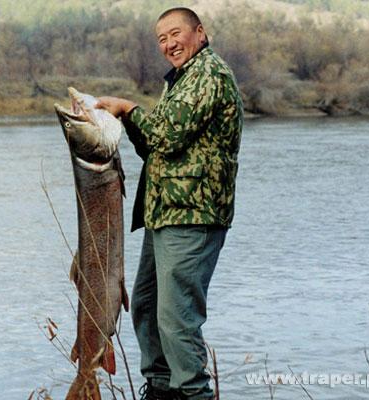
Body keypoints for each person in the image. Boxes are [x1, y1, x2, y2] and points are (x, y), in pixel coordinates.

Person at [96, 7, 243, 400]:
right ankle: (161, 390)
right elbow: (155, 148)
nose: (168, 44)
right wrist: (126, 121)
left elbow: (166, 135)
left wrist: (127, 107)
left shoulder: (209, 74)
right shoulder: (180, 81)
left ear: (200, 32)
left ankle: (193, 393)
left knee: (177, 319)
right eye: (161, 39)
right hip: (164, 215)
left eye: (175, 34)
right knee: (145, 307)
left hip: (194, 216)